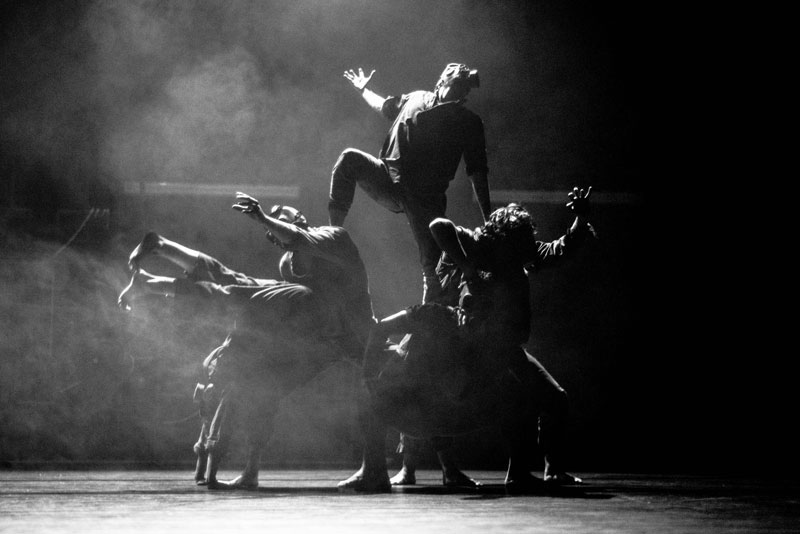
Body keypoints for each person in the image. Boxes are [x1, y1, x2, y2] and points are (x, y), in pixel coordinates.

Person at [119, 192, 382, 489]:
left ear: (300, 219)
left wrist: (263, 218)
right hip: (321, 337)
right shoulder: (290, 264)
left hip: (352, 332)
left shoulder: (333, 236)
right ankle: (160, 250)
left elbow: (298, 238)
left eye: (279, 222)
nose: (274, 236)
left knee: (239, 296)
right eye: (272, 235)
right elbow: (282, 286)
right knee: (261, 370)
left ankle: (151, 283)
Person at [355, 187, 595, 491]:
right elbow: (439, 226)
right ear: (504, 240)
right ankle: (405, 467)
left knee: (551, 398)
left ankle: (546, 471)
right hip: (462, 338)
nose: (527, 251)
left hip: (501, 344)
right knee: (426, 387)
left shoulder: (521, 252)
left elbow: (558, 249)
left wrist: (580, 219)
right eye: (521, 243)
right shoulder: (480, 247)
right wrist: (468, 267)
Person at [328, 63, 491, 304]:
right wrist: (364, 90)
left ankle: (431, 311)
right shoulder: (416, 98)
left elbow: (477, 171)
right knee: (349, 159)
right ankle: (334, 235)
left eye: (465, 90)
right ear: (442, 82)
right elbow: (384, 107)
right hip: (388, 180)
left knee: (433, 268)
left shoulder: (468, 122)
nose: (461, 92)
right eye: (457, 84)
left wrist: (489, 220)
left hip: (425, 199)